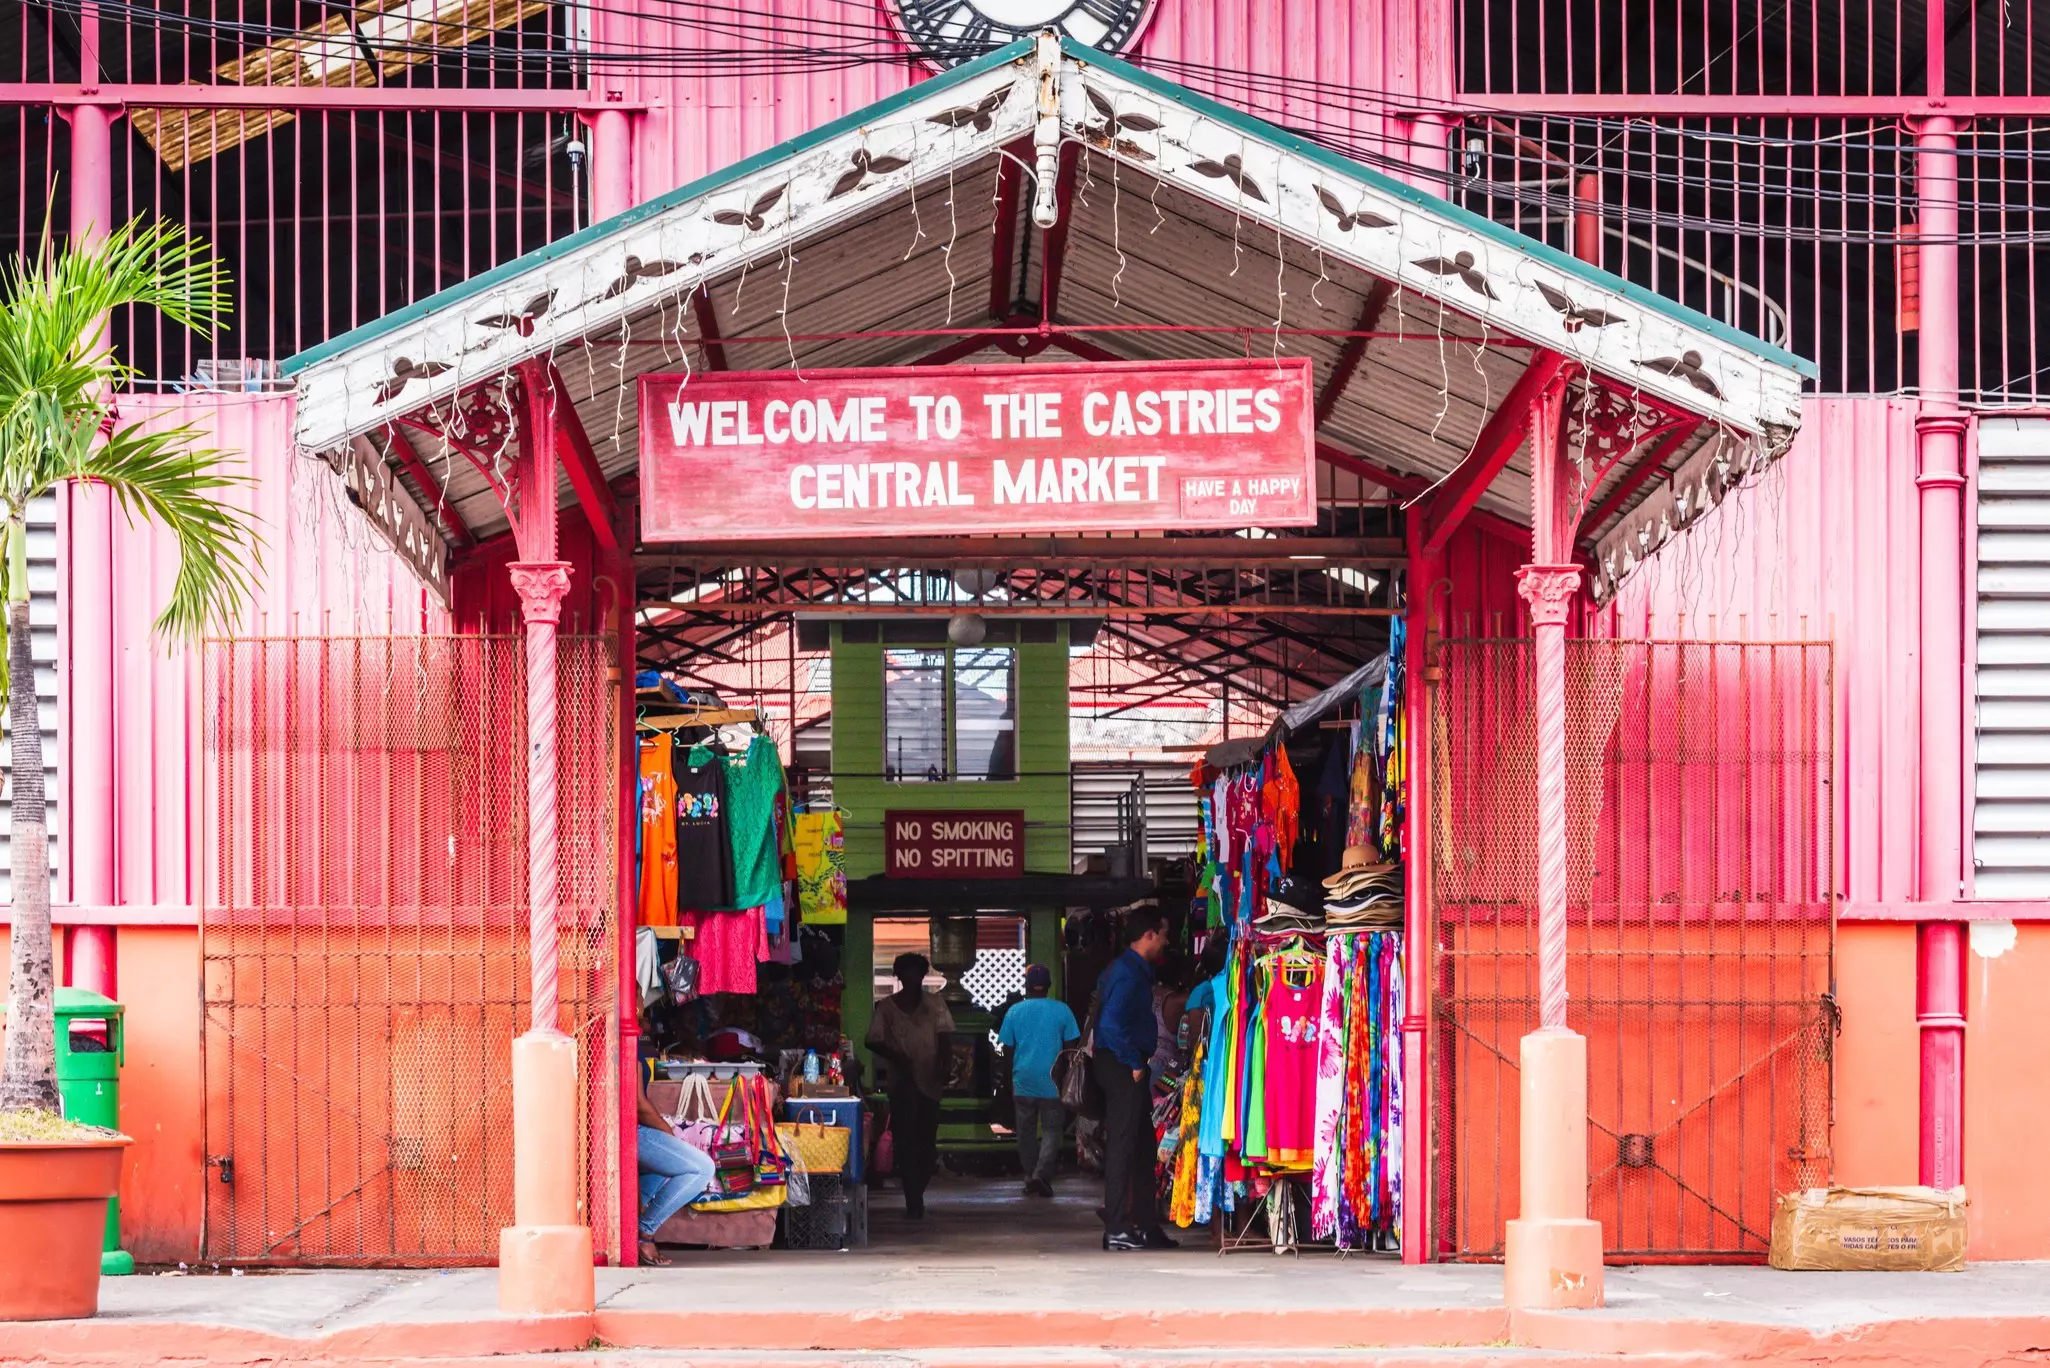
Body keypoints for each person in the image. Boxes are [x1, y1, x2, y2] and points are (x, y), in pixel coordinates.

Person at [1092, 908, 1177, 1251]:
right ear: (1149, 935)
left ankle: (1145, 1225)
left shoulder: (1130, 969)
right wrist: (1133, 1063)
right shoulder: (1128, 972)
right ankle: (1116, 1229)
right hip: (1120, 1064)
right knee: (1123, 1147)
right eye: (1165, 933)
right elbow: (1110, 1025)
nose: (1167, 941)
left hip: (1123, 1063)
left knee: (1143, 1148)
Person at [865, 951, 956, 1218]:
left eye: (917, 973)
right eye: (906, 974)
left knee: (926, 1141)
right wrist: (896, 1056)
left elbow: (946, 1037)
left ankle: (918, 1188)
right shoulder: (886, 1008)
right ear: (899, 976)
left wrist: (945, 1066)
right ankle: (913, 1198)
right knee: (905, 1140)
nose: (912, 979)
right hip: (901, 1082)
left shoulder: (935, 1004)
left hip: (930, 1080)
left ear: (923, 975)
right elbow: (872, 1039)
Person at [998, 962, 1080, 1198]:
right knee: (1053, 1130)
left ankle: (1029, 1174)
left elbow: (1007, 1050)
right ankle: (1041, 1175)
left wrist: (1006, 1080)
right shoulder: (1062, 1010)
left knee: (1024, 1131)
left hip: (1022, 1079)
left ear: (1026, 985)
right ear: (1049, 985)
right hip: (1053, 1081)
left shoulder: (1014, 1011)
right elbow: (1071, 1049)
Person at [635, 1074, 716, 1266]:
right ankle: (644, 1232)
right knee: (703, 1168)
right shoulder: (626, 1045)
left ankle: (632, 1224)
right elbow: (638, 1104)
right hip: (630, 1129)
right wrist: (668, 1133)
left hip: (630, 1128)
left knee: (661, 1168)